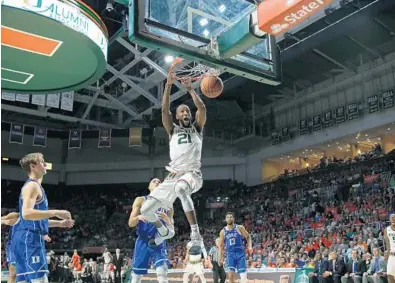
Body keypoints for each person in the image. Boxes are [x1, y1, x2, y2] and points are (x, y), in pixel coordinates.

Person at [140, 65, 207, 247]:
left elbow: (202, 109)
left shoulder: (197, 128)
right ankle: (164, 231)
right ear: (177, 117)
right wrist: (168, 85)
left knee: (180, 189)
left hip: (192, 174)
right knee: (145, 211)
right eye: (182, 111)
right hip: (173, 175)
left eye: (187, 111)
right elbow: (164, 111)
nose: (186, 113)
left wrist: (191, 89)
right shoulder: (172, 130)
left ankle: (195, 234)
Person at [11, 152, 74, 283]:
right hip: (30, 239)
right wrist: (56, 212)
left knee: (24, 280)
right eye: (42, 161)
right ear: (33, 166)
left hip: (24, 237)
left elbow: (33, 219)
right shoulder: (32, 186)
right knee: (40, 280)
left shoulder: (34, 186)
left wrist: (60, 223)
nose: (45, 164)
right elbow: (27, 214)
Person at [128, 178, 174, 283]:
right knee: (136, 276)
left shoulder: (168, 204)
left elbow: (171, 229)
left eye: (159, 182)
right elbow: (131, 223)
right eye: (154, 181)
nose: (157, 183)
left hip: (158, 240)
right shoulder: (140, 200)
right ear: (149, 186)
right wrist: (138, 217)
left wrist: (167, 220)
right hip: (143, 240)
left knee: (162, 272)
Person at [218, 212, 252, 283]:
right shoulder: (222, 231)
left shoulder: (239, 227)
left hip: (240, 254)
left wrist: (250, 246)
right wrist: (219, 258)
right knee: (230, 277)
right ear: (225, 219)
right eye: (228, 217)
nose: (229, 218)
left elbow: (248, 237)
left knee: (243, 278)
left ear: (233, 218)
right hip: (230, 254)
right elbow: (220, 246)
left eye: (231, 217)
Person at [1, 212, 20, 283]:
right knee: (13, 273)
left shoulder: (33, 217)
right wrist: (4, 221)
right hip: (14, 246)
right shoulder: (16, 215)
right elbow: (3, 219)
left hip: (26, 247)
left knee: (24, 274)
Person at [385, 214, 395, 283]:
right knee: (389, 275)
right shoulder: (386, 230)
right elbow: (387, 244)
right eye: (391, 218)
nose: (393, 219)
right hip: (392, 255)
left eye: (394, 218)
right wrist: (387, 255)